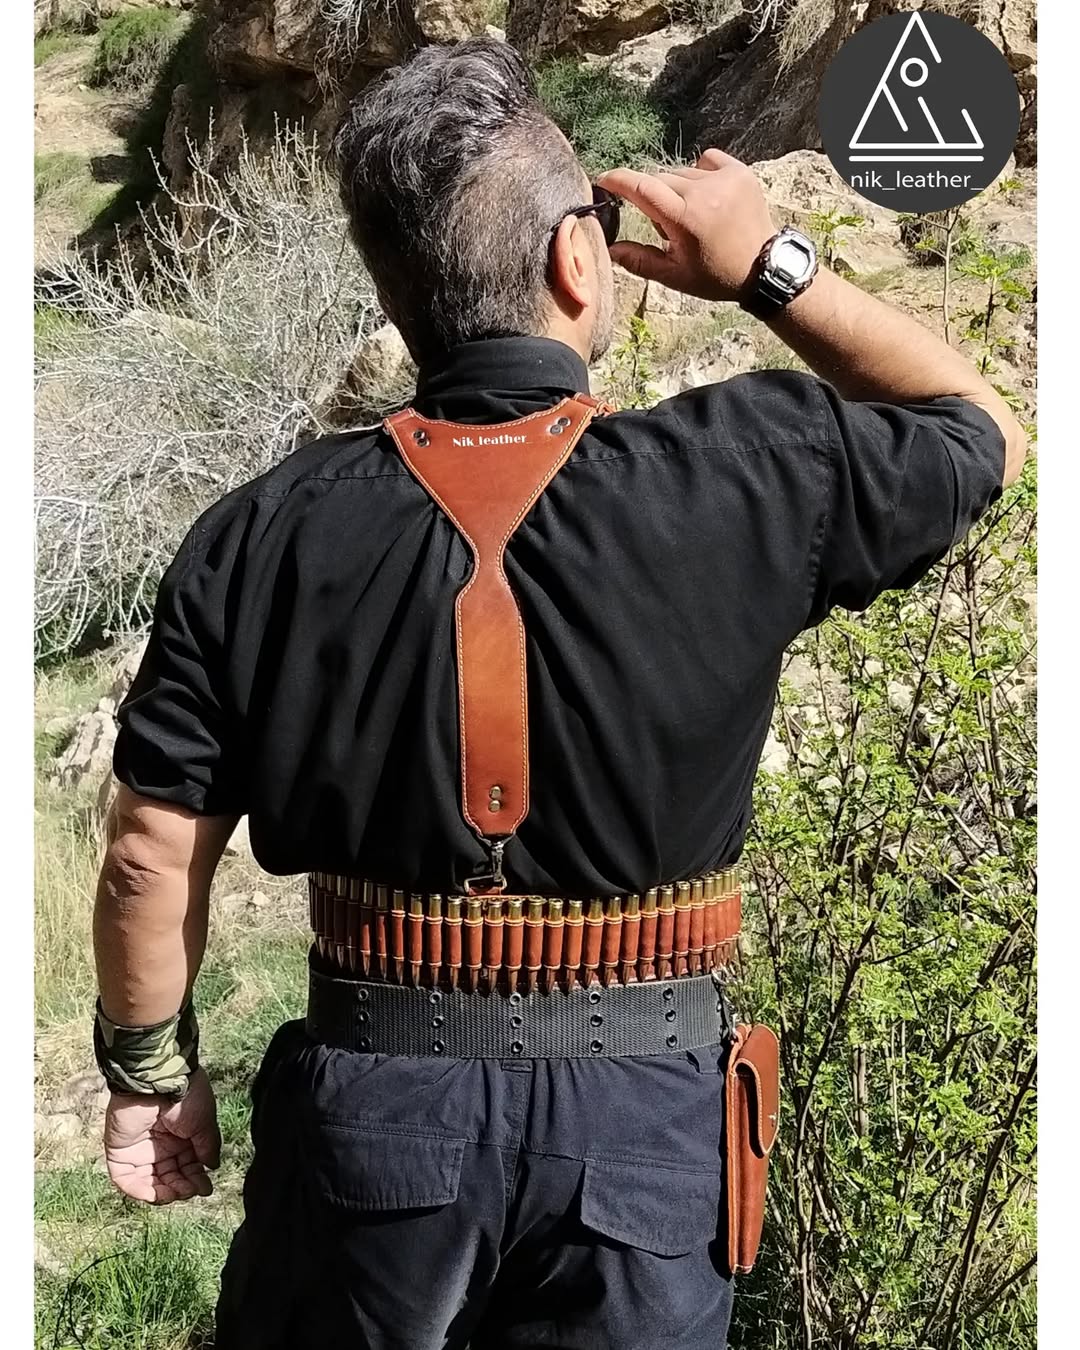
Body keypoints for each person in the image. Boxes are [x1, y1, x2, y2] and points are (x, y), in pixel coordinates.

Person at [91, 36, 1025, 1350]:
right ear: (579, 259)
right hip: (644, 1135)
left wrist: (148, 1077)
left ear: (400, 289)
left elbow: (148, 851)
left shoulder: (258, 533)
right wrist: (769, 263)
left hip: (369, 1125)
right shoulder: (750, 466)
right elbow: (980, 430)